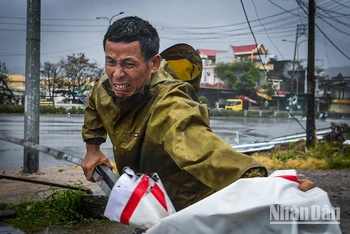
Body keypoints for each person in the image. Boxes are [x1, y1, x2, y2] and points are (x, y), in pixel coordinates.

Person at [81, 16, 315, 211]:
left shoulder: (170, 103)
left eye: (129, 64)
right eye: (110, 61)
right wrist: (93, 150)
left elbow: (199, 147)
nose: (117, 74)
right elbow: (95, 106)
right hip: (141, 193)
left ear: (154, 64)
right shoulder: (104, 86)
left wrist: (266, 185)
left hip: (186, 201)